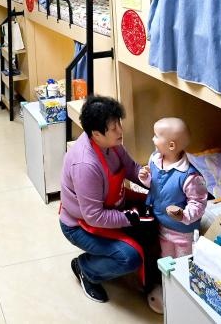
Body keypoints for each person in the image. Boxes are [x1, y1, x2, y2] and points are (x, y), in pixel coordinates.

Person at [59, 96, 152, 304]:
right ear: (96, 134)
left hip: (110, 206)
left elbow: (131, 168)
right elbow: (94, 216)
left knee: (152, 214)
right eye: (114, 128)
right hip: (79, 225)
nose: (120, 130)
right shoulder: (85, 165)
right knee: (129, 257)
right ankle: (86, 269)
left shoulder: (112, 143)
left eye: (119, 123)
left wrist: (151, 181)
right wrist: (129, 218)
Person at [139, 116, 208, 313]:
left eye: (156, 136)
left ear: (171, 145)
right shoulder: (155, 159)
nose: (152, 139)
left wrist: (183, 215)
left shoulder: (190, 176)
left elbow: (198, 203)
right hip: (161, 225)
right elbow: (156, 185)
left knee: (183, 262)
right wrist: (145, 178)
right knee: (165, 259)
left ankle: (184, 295)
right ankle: (167, 289)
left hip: (182, 232)